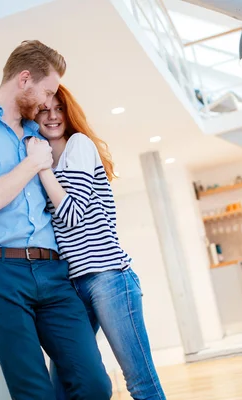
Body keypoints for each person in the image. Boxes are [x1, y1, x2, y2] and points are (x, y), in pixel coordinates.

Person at [0, 41, 111, 400]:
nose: (47, 102)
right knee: (34, 392)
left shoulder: (40, 134)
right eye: (46, 91)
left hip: (53, 273)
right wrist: (34, 163)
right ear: (24, 80)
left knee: (94, 384)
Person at [30, 85, 166, 400]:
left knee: (140, 384)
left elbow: (73, 213)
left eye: (58, 108)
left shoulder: (78, 145)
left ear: (68, 112)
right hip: (70, 285)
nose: (52, 116)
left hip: (108, 277)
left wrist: (40, 166)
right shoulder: (41, 160)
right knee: (65, 386)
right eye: (43, 110)